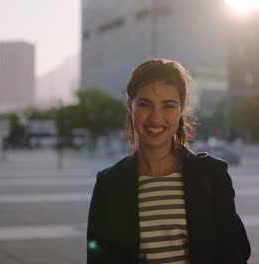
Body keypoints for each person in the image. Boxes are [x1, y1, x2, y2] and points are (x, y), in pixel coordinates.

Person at [87, 59, 250, 264]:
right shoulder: (109, 183)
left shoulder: (212, 175)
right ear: (130, 106)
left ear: (182, 108)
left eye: (168, 106)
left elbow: (231, 255)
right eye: (145, 104)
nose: (156, 117)